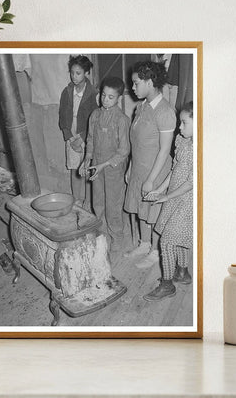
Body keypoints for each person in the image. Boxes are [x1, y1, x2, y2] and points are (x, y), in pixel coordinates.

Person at [124, 60, 176, 265]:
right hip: (139, 167)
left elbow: (164, 150)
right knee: (140, 209)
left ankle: (155, 251)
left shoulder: (165, 112)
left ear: (149, 82)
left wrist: (151, 180)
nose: (133, 87)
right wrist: (130, 167)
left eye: (136, 83)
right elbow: (135, 141)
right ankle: (144, 244)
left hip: (156, 171)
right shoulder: (141, 107)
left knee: (153, 213)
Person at [142, 101, 194, 301]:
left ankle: (167, 284)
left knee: (168, 241)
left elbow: (191, 182)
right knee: (177, 237)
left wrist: (167, 196)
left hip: (187, 201)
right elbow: (174, 171)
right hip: (174, 195)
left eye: (184, 123)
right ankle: (182, 272)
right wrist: (159, 190)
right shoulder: (182, 141)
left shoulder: (200, 149)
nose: (179, 128)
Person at [79, 77, 130, 252]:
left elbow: (124, 151)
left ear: (119, 98)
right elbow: (90, 140)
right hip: (96, 166)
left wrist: (105, 164)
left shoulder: (121, 120)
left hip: (113, 169)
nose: (105, 99)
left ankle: (117, 237)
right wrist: (87, 160)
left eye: (111, 97)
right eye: (103, 95)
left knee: (113, 205)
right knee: (98, 201)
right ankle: (100, 233)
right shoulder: (95, 115)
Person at [59, 55, 98, 202]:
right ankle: (76, 200)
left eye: (78, 73)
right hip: (71, 136)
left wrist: (81, 138)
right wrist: (69, 137)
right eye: (72, 72)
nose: (74, 76)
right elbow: (62, 116)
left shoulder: (93, 94)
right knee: (75, 170)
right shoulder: (67, 92)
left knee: (87, 169)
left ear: (87, 73)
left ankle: (88, 203)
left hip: (87, 137)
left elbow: (94, 120)